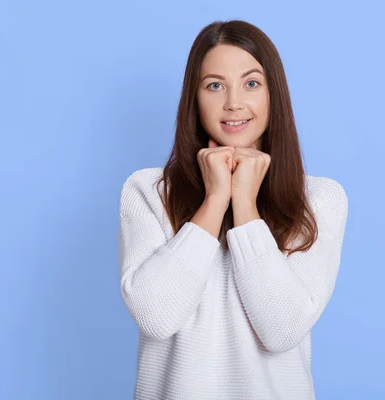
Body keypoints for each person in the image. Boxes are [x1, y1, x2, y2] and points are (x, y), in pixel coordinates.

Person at [118, 19, 348, 400]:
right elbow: (156, 317)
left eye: (251, 83)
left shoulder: (320, 199)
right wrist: (214, 201)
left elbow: (281, 330)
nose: (233, 102)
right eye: (214, 85)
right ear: (194, 98)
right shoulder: (149, 190)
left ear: (274, 95)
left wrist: (244, 204)